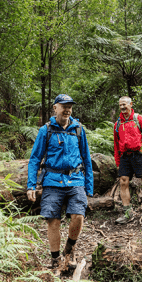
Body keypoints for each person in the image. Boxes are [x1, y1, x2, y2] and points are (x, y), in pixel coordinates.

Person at [27, 94, 93, 272]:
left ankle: (69, 251)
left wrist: (89, 185)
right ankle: (55, 259)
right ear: (55, 108)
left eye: (69, 106)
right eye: (63, 106)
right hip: (52, 180)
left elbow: (87, 158)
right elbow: (34, 159)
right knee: (53, 221)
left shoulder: (78, 129)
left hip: (75, 180)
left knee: (78, 215)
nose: (67, 109)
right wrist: (31, 185)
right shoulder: (46, 130)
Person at [113, 96, 142, 224]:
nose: (122, 107)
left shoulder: (139, 119)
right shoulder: (117, 124)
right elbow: (116, 145)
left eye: (124, 104)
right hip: (124, 156)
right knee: (123, 182)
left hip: (139, 154)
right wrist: (118, 161)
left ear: (130, 104)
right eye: (120, 105)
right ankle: (127, 212)